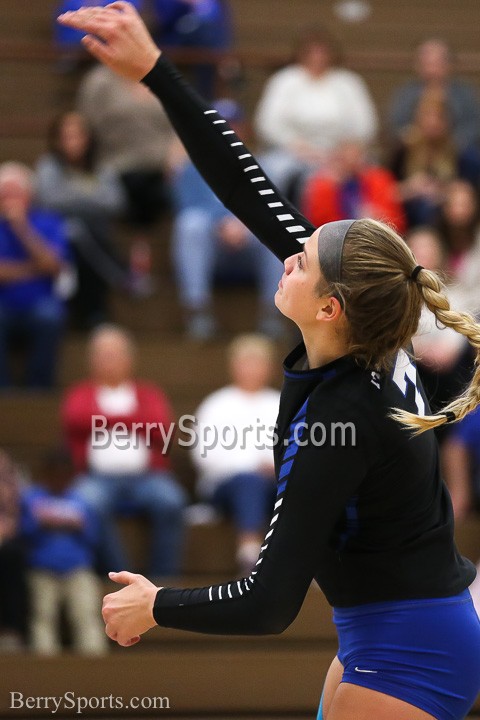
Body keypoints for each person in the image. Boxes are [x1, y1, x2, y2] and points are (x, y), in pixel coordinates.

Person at [58, 6, 480, 720]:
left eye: (304, 259)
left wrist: (156, 607)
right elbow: (247, 182)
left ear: (328, 309)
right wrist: (158, 70)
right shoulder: (373, 321)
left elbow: (268, 602)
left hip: (413, 648)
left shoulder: (342, 417)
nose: (289, 252)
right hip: (408, 619)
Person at [61, 323, 187, 576]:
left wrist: (106, 420)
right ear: (91, 360)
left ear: (129, 358)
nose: (108, 361)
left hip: (148, 477)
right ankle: (122, 577)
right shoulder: (80, 393)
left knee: (172, 501)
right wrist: (133, 420)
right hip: (95, 478)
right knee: (87, 503)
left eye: (114, 354)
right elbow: (75, 419)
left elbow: (162, 427)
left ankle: (163, 581)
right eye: (102, 355)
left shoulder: (148, 393)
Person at [169, 97, 284, 339]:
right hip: (213, 247)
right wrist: (221, 222)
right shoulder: (191, 167)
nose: (228, 131)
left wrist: (245, 224)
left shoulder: (262, 167)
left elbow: (271, 208)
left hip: (250, 245)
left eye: (233, 125)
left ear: (243, 130)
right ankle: (197, 310)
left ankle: (273, 313)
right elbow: (186, 206)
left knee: (278, 227)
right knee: (189, 226)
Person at [254, 26, 378, 199]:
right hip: (293, 152)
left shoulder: (348, 82)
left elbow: (365, 124)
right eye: (311, 52)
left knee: (371, 176)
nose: (317, 57)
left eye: (323, 52)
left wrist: (343, 152)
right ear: (301, 53)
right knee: (271, 173)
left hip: (339, 154)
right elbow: (267, 123)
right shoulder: (285, 80)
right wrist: (296, 146)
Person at [192, 334, 280, 572]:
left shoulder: (280, 403)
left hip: (275, 484)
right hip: (224, 487)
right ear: (233, 366)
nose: (251, 369)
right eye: (246, 362)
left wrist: (275, 467)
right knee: (249, 482)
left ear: (269, 368)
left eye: (258, 362)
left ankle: (306, 563)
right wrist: (254, 465)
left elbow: (296, 448)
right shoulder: (216, 404)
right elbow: (203, 454)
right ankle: (249, 554)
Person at [36, 111, 129, 329]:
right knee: (74, 232)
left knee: (81, 234)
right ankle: (117, 277)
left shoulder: (101, 167)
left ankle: (94, 311)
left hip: (98, 236)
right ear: (57, 140)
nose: (73, 142)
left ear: (88, 139)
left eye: (78, 135)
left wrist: (71, 193)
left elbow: (116, 202)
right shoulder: (48, 166)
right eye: (67, 136)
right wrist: (90, 195)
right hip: (56, 240)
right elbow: (49, 201)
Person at [20, 448, 108, 655]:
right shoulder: (31, 499)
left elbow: (93, 538)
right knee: (42, 616)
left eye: (64, 475)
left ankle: (94, 663)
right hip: (41, 570)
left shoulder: (83, 501)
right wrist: (44, 522)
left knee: (86, 614)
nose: (59, 479)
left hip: (78, 569)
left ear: (71, 476)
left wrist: (75, 524)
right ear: (44, 474)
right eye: (54, 474)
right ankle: (44, 665)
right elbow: (25, 532)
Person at [0, 162, 68, 389]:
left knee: (50, 317)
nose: (9, 200)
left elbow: (55, 267)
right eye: (4, 194)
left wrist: (21, 228)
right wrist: (33, 268)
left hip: (41, 302)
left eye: (15, 193)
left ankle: (38, 389)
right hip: (3, 304)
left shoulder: (49, 222)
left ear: (29, 195)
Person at [389, 87, 480, 228]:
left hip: (445, 220)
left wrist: (443, 191)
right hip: (406, 214)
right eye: (427, 115)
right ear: (417, 117)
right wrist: (411, 188)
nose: (432, 122)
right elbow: (386, 191)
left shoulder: (461, 153)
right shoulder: (403, 149)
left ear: (448, 121)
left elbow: (468, 192)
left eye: (439, 116)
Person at [388, 38, 480, 152]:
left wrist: (454, 142)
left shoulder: (464, 93)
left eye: (436, 64)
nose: (431, 70)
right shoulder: (406, 94)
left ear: (448, 64)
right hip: (414, 150)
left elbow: (474, 125)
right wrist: (412, 137)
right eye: (426, 64)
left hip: (458, 152)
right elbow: (396, 126)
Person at [301, 139, 406, 234]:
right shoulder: (323, 185)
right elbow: (320, 225)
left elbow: (396, 221)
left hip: (377, 236)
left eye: (356, 157)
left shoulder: (379, 179)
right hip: (339, 239)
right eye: (345, 159)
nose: (351, 163)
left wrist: (376, 218)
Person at [0, 450, 27, 652]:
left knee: (13, 556)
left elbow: (21, 512)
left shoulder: (13, 475)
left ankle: (11, 631)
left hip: (8, 538)